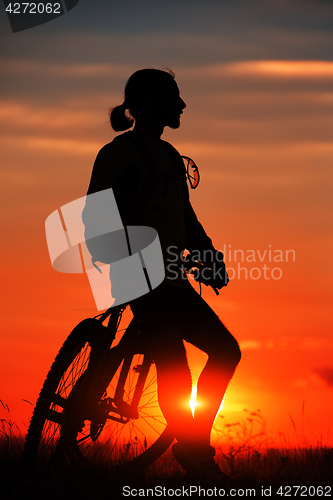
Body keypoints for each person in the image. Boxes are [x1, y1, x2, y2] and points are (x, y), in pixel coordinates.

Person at [84, 68, 241, 481]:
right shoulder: (119, 153)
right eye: (175, 96)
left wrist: (208, 254)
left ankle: (193, 443)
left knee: (227, 351)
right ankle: (194, 453)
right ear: (151, 103)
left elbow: (183, 217)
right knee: (176, 366)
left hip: (172, 279)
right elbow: (96, 216)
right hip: (138, 276)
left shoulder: (171, 156)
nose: (183, 105)